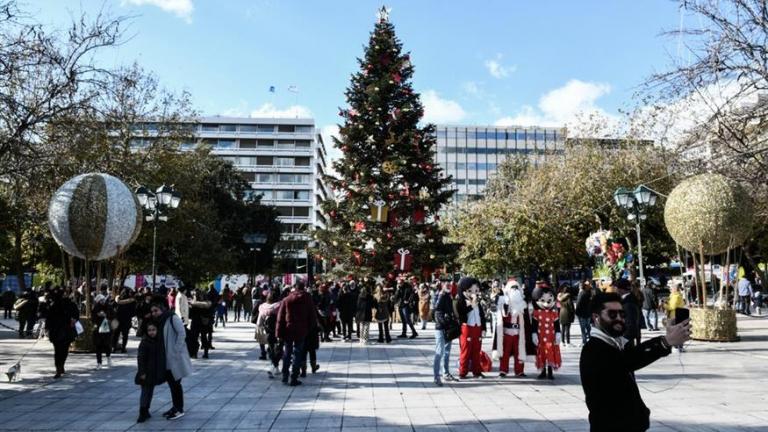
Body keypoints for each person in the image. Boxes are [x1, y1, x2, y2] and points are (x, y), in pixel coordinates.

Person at [580, 292, 691, 431]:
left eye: (622, 314)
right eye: (612, 315)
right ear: (596, 317)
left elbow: (630, 358)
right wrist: (666, 342)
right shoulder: (594, 349)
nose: (619, 319)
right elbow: (629, 360)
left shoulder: (615, 344)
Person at [150, 302, 193, 420]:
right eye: (152, 311)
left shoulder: (172, 318)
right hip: (166, 358)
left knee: (176, 384)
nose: (154, 313)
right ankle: (175, 407)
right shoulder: (160, 321)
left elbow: (181, 333)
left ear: (162, 309)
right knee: (172, 384)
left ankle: (179, 409)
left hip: (174, 358)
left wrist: (175, 350)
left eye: (156, 310)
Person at [276, 281, 317, 386]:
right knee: (298, 353)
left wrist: (278, 333)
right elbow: (312, 315)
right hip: (301, 330)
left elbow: (280, 317)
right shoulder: (307, 299)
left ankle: (285, 376)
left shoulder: (287, 299)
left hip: (288, 329)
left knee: (287, 353)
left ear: (294, 288)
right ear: (304, 288)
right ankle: (294, 377)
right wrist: (310, 328)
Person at [44, 287, 79, 378]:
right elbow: (48, 318)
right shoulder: (61, 304)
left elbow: (48, 318)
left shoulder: (60, 304)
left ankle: (59, 367)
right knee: (62, 350)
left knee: (59, 350)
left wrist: (47, 328)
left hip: (60, 330)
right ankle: (59, 367)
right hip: (62, 330)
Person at [455, 277, 486, 379]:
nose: (474, 293)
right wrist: (472, 305)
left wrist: (484, 328)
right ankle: (462, 371)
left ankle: (477, 371)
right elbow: (461, 313)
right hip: (467, 327)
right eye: (470, 290)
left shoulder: (478, 302)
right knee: (466, 350)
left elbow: (482, 316)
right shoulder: (460, 301)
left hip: (477, 327)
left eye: (476, 290)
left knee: (477, 350)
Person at [135, 321, 166, 423]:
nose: (151, 332)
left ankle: (146, 409)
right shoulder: (145, 342)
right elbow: (141, 358)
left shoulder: (158, 341)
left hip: (153, 372)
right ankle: (142, 412)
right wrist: (142, 372)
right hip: (146, 372)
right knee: (145, 392)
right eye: (149, 330)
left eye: (153, 330)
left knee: (150, 392)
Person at [432, 281, 457, 386]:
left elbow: (450, 311)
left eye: (450, 285)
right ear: (442, 286)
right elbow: (436, 309)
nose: (449, 286)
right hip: (441, 328)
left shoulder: (448, 296)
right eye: (446, 285)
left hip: (447, 328)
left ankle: (445, 373)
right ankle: (436, 376)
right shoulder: (440, 295)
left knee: (446, 352)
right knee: (439, 352)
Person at [258, 290, 282, 379]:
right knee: (280, 349)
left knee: (271, 349)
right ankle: (273, 367)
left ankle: (274, 367)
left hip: (268, 331)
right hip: (279, 331)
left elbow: (259, 322)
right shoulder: (279, 305)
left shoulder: (262, 307)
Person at [615, 279, 641, 348]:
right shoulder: (629, 299)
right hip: (627, 337)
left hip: (627, 338)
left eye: (616, 288)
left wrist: (623, 339)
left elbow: (630, 322)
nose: (615, 290)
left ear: (621, 289)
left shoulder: (628, 303)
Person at [92, 294, 114, 369]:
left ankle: (108, 357)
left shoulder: (109, 306)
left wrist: (105, 315)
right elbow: (93, 318)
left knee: (107, 344)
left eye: (103, 300)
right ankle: (99, 362)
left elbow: (113, 316)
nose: (102, 302)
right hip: (98, 329)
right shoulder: (96, 308)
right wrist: (98, 316)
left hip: (107, 329)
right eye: (100, 300)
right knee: (98, 346)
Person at [113, 289, 136, 353]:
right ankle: (123, 348)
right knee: (125, 335)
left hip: (117, 319)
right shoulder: (131, 301)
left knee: (116, 334)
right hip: (126, 320)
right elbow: (133, 312)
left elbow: (112, 307)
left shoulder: (117, 299)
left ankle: (114, 347)